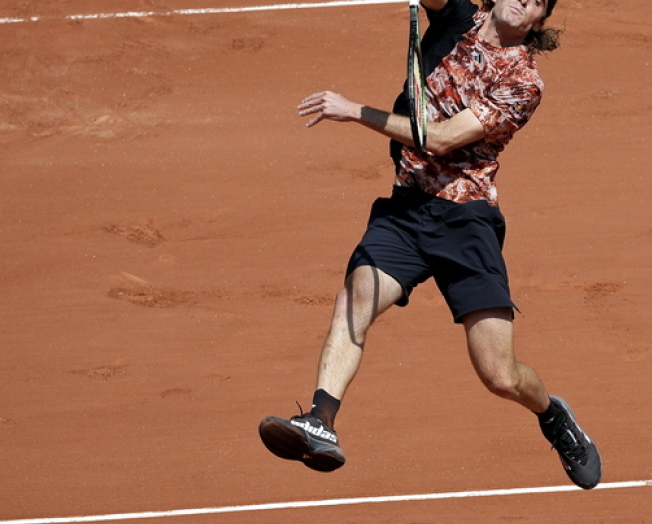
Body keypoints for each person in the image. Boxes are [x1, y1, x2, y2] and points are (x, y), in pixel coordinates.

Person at [257, 0, 601, 489]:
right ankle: (320, 420)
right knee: (355, 299)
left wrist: (355, 111)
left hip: (466, 220)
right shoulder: (459, 14)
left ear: (539, 20)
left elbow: (439, 140)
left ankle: (552, 414)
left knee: (499, 376)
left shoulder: (523, 82)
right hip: (406, 210)